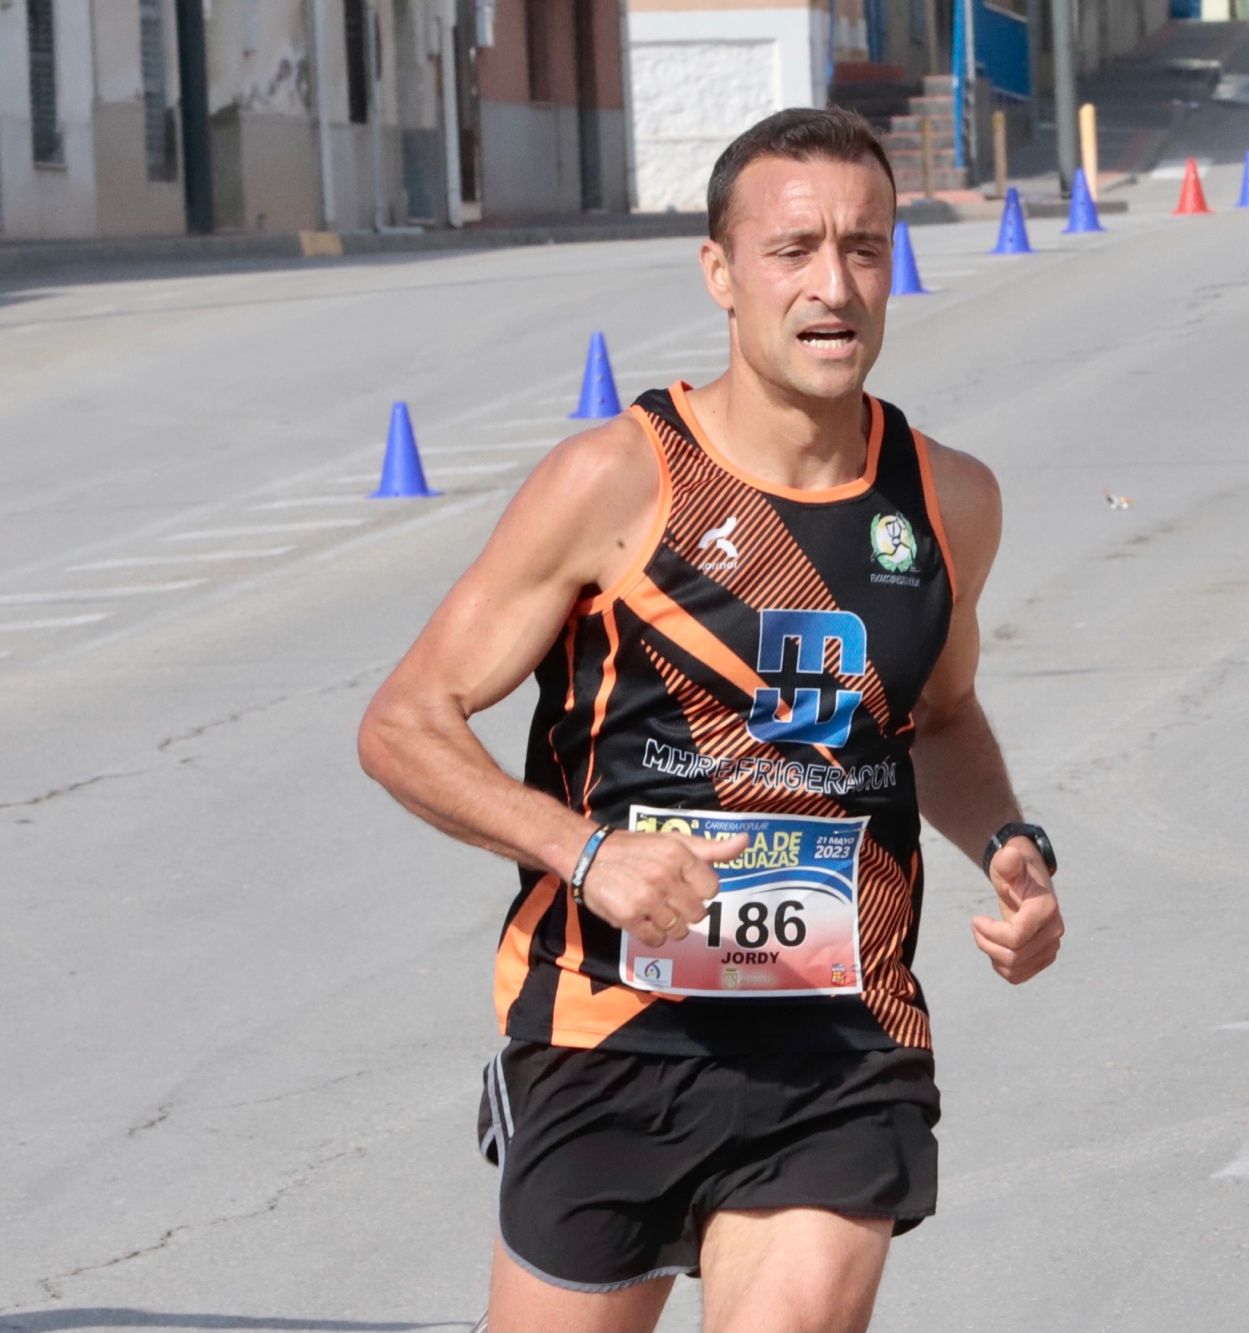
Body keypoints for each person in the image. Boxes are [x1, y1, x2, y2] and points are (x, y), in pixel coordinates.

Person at [357, 106, 1065, 1333]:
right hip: (610, 1028)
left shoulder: (947, 500)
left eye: (862, 246)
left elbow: (939, 718)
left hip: (839, 1035)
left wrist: (1011, 847)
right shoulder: (616, 481)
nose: (832, 284)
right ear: (721, 274)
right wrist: (587, 853)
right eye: (792, 250)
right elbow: (404, 722)